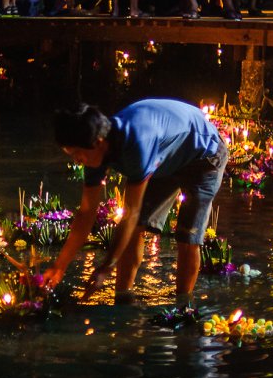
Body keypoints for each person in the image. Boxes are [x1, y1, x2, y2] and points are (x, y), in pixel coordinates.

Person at [43, 100, 228, 303]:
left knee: (187, 236)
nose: (77, 160)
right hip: (166, 156)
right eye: (72, 155)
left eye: (78, 154)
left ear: (99, 142)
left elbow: (131, 213)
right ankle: (123, 300)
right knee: (138, 227)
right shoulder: (94, 152)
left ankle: (182, 307)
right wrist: (59, 266)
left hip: (204, 154)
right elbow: (86, 212)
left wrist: (106, 266)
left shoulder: (137, 144)